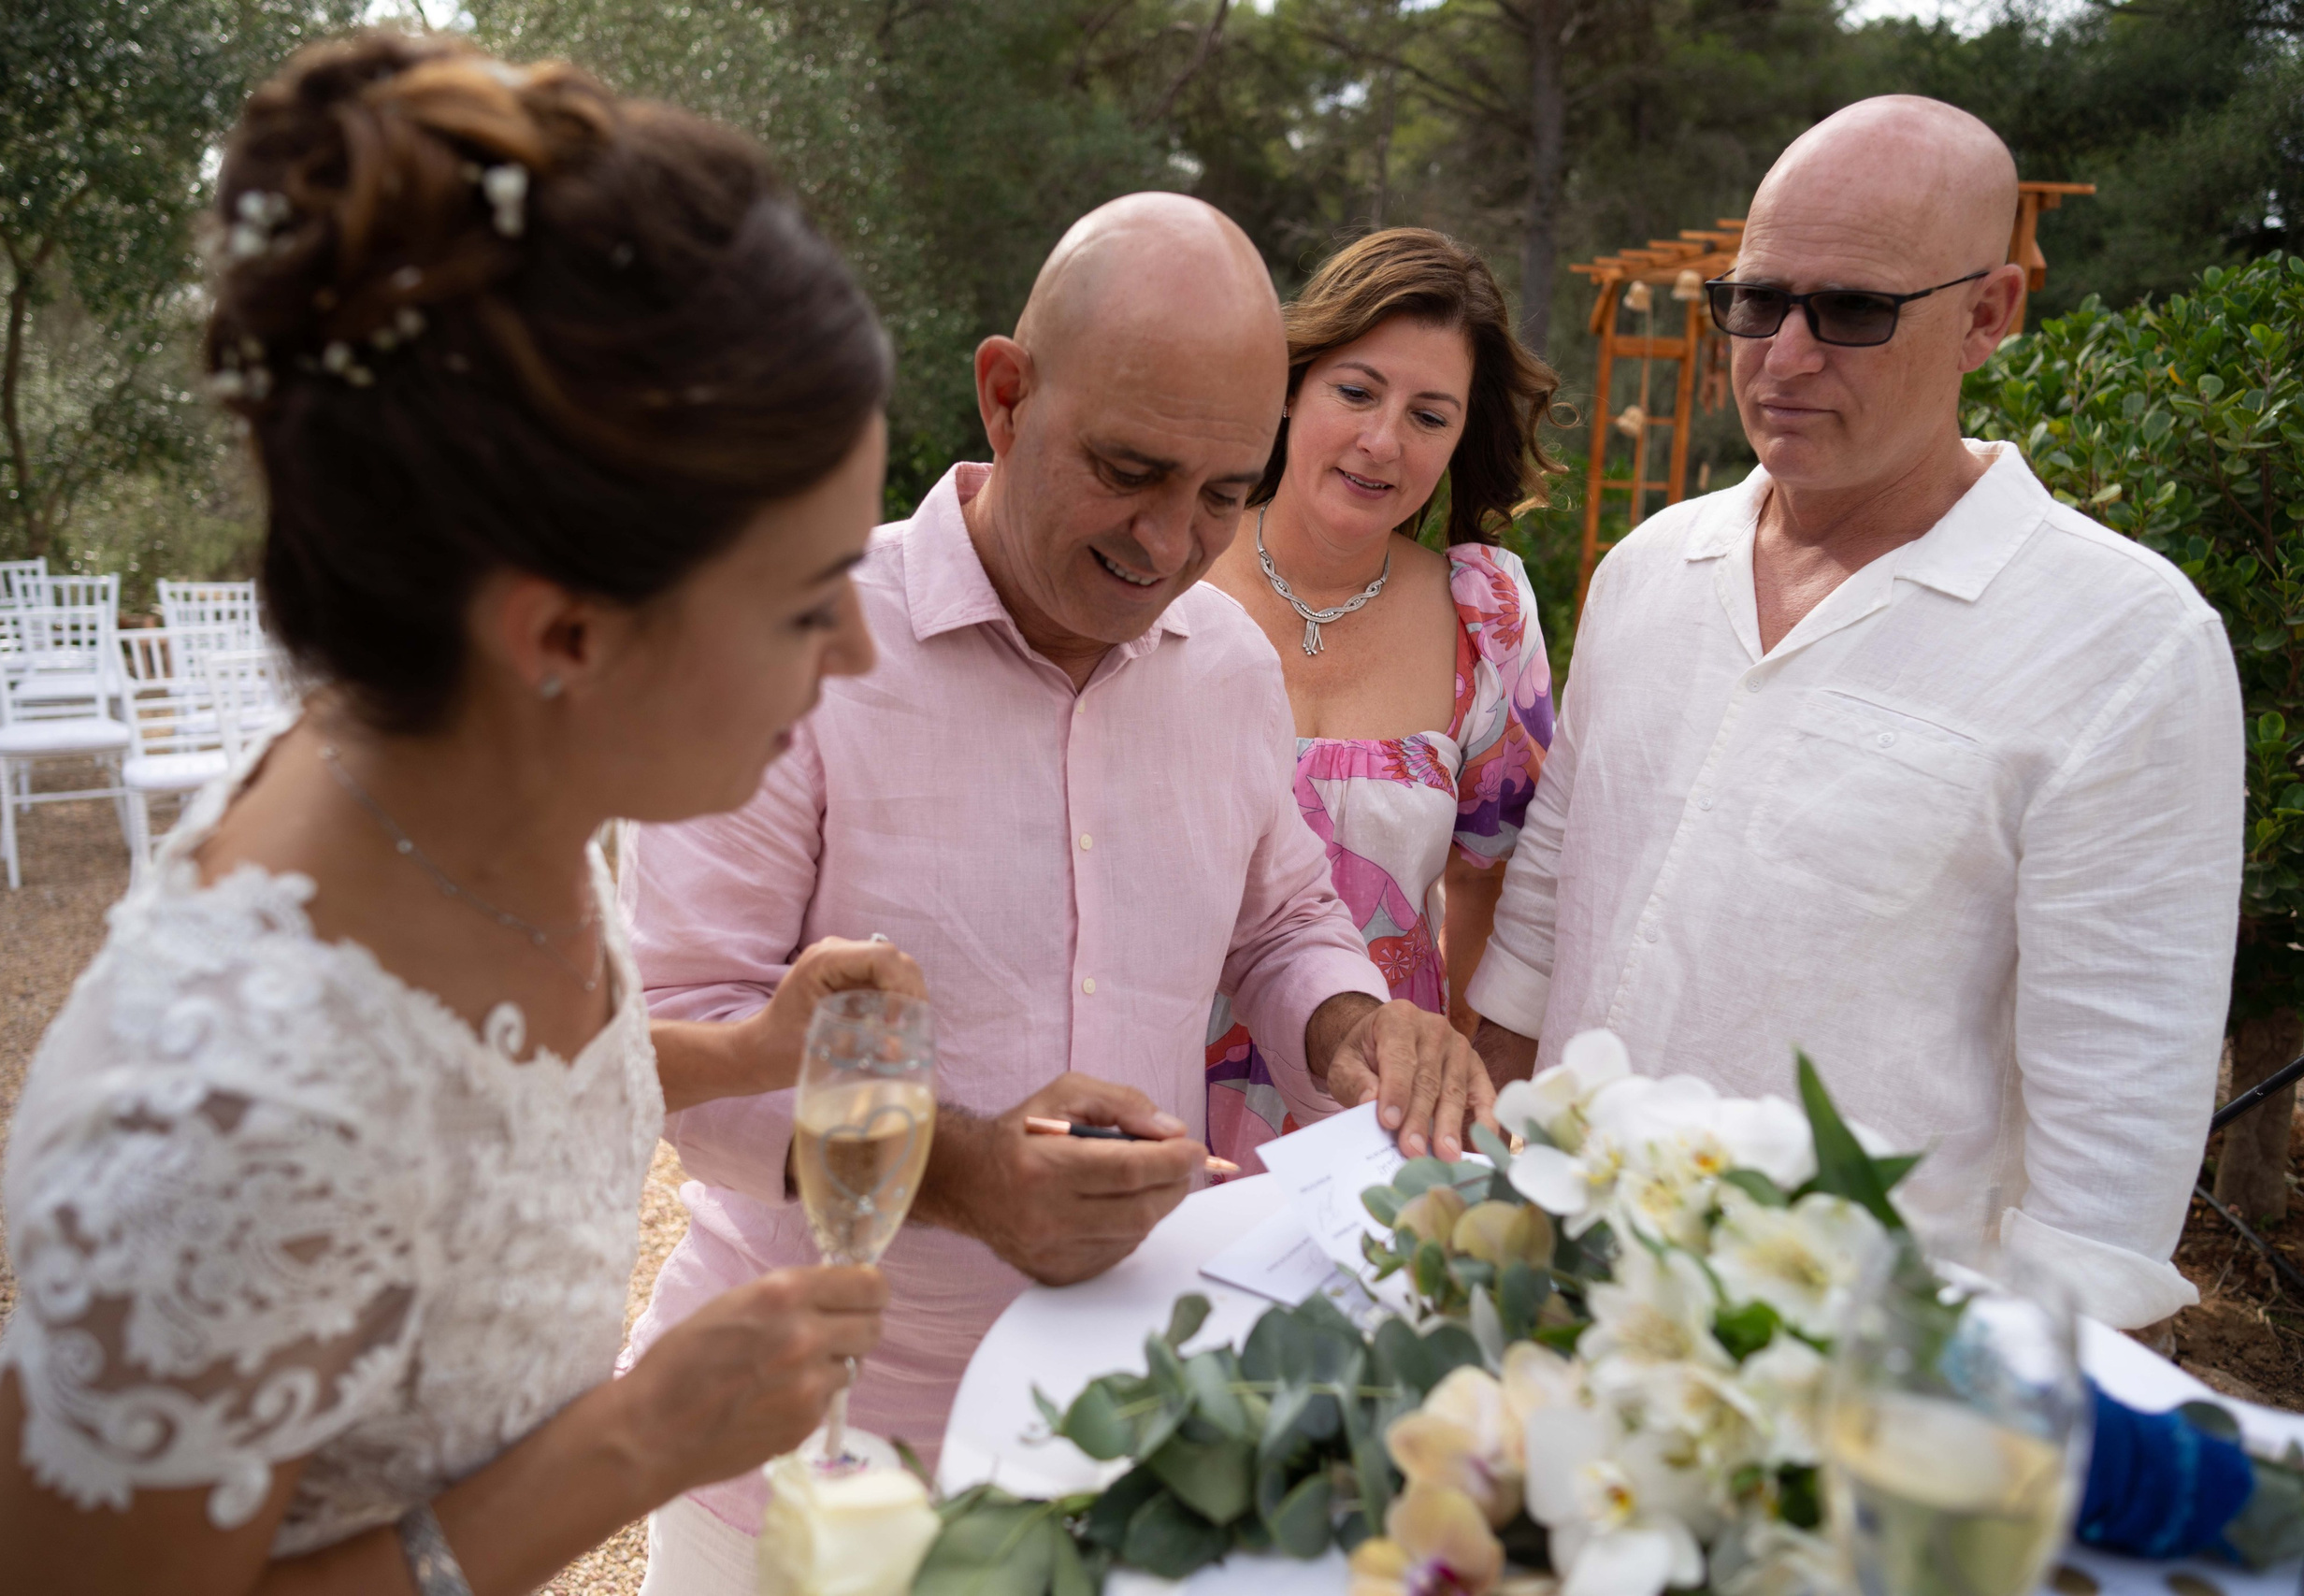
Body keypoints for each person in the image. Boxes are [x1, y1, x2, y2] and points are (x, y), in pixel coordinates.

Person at [0, 34, 921, 1594]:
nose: (861, 652)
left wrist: (736, 1058)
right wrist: (637, 1441)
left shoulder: (484, 780)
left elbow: (472, 1106)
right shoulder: (225, 1124)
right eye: (812, 605)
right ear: (562, 638)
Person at [620, 193, 1499, 1589]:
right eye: (1131, 470)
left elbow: (1282, 918)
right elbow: (669, 1041)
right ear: (1007, 394)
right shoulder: (790, 641)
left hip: (1106, 1439)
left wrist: (1354, 1024)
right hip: (801, 1446)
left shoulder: (1222, 663)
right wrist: (962, 1170)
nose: (1170, 544)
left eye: (1224, 491)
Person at [1465, 94, 2244, 1330]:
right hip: (1567, 1288)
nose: (1783, 355)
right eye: (1758, 300)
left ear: (1991, 312)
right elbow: (1554, 896)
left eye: (1852, 312)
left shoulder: (2126, 645)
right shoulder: (1649, 570)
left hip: (1852, 1377)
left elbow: (2115, 1134)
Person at [1200, 228, 1559, 1172]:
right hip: (1151, 1104)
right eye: (1355, 391)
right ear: (1290, 385)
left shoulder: (1486, 618)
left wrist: (1464, 1106)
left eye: (1428, 416)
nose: (1381, 442)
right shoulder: (1163, 575)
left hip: (1370, 1136)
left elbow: (1492, 883)